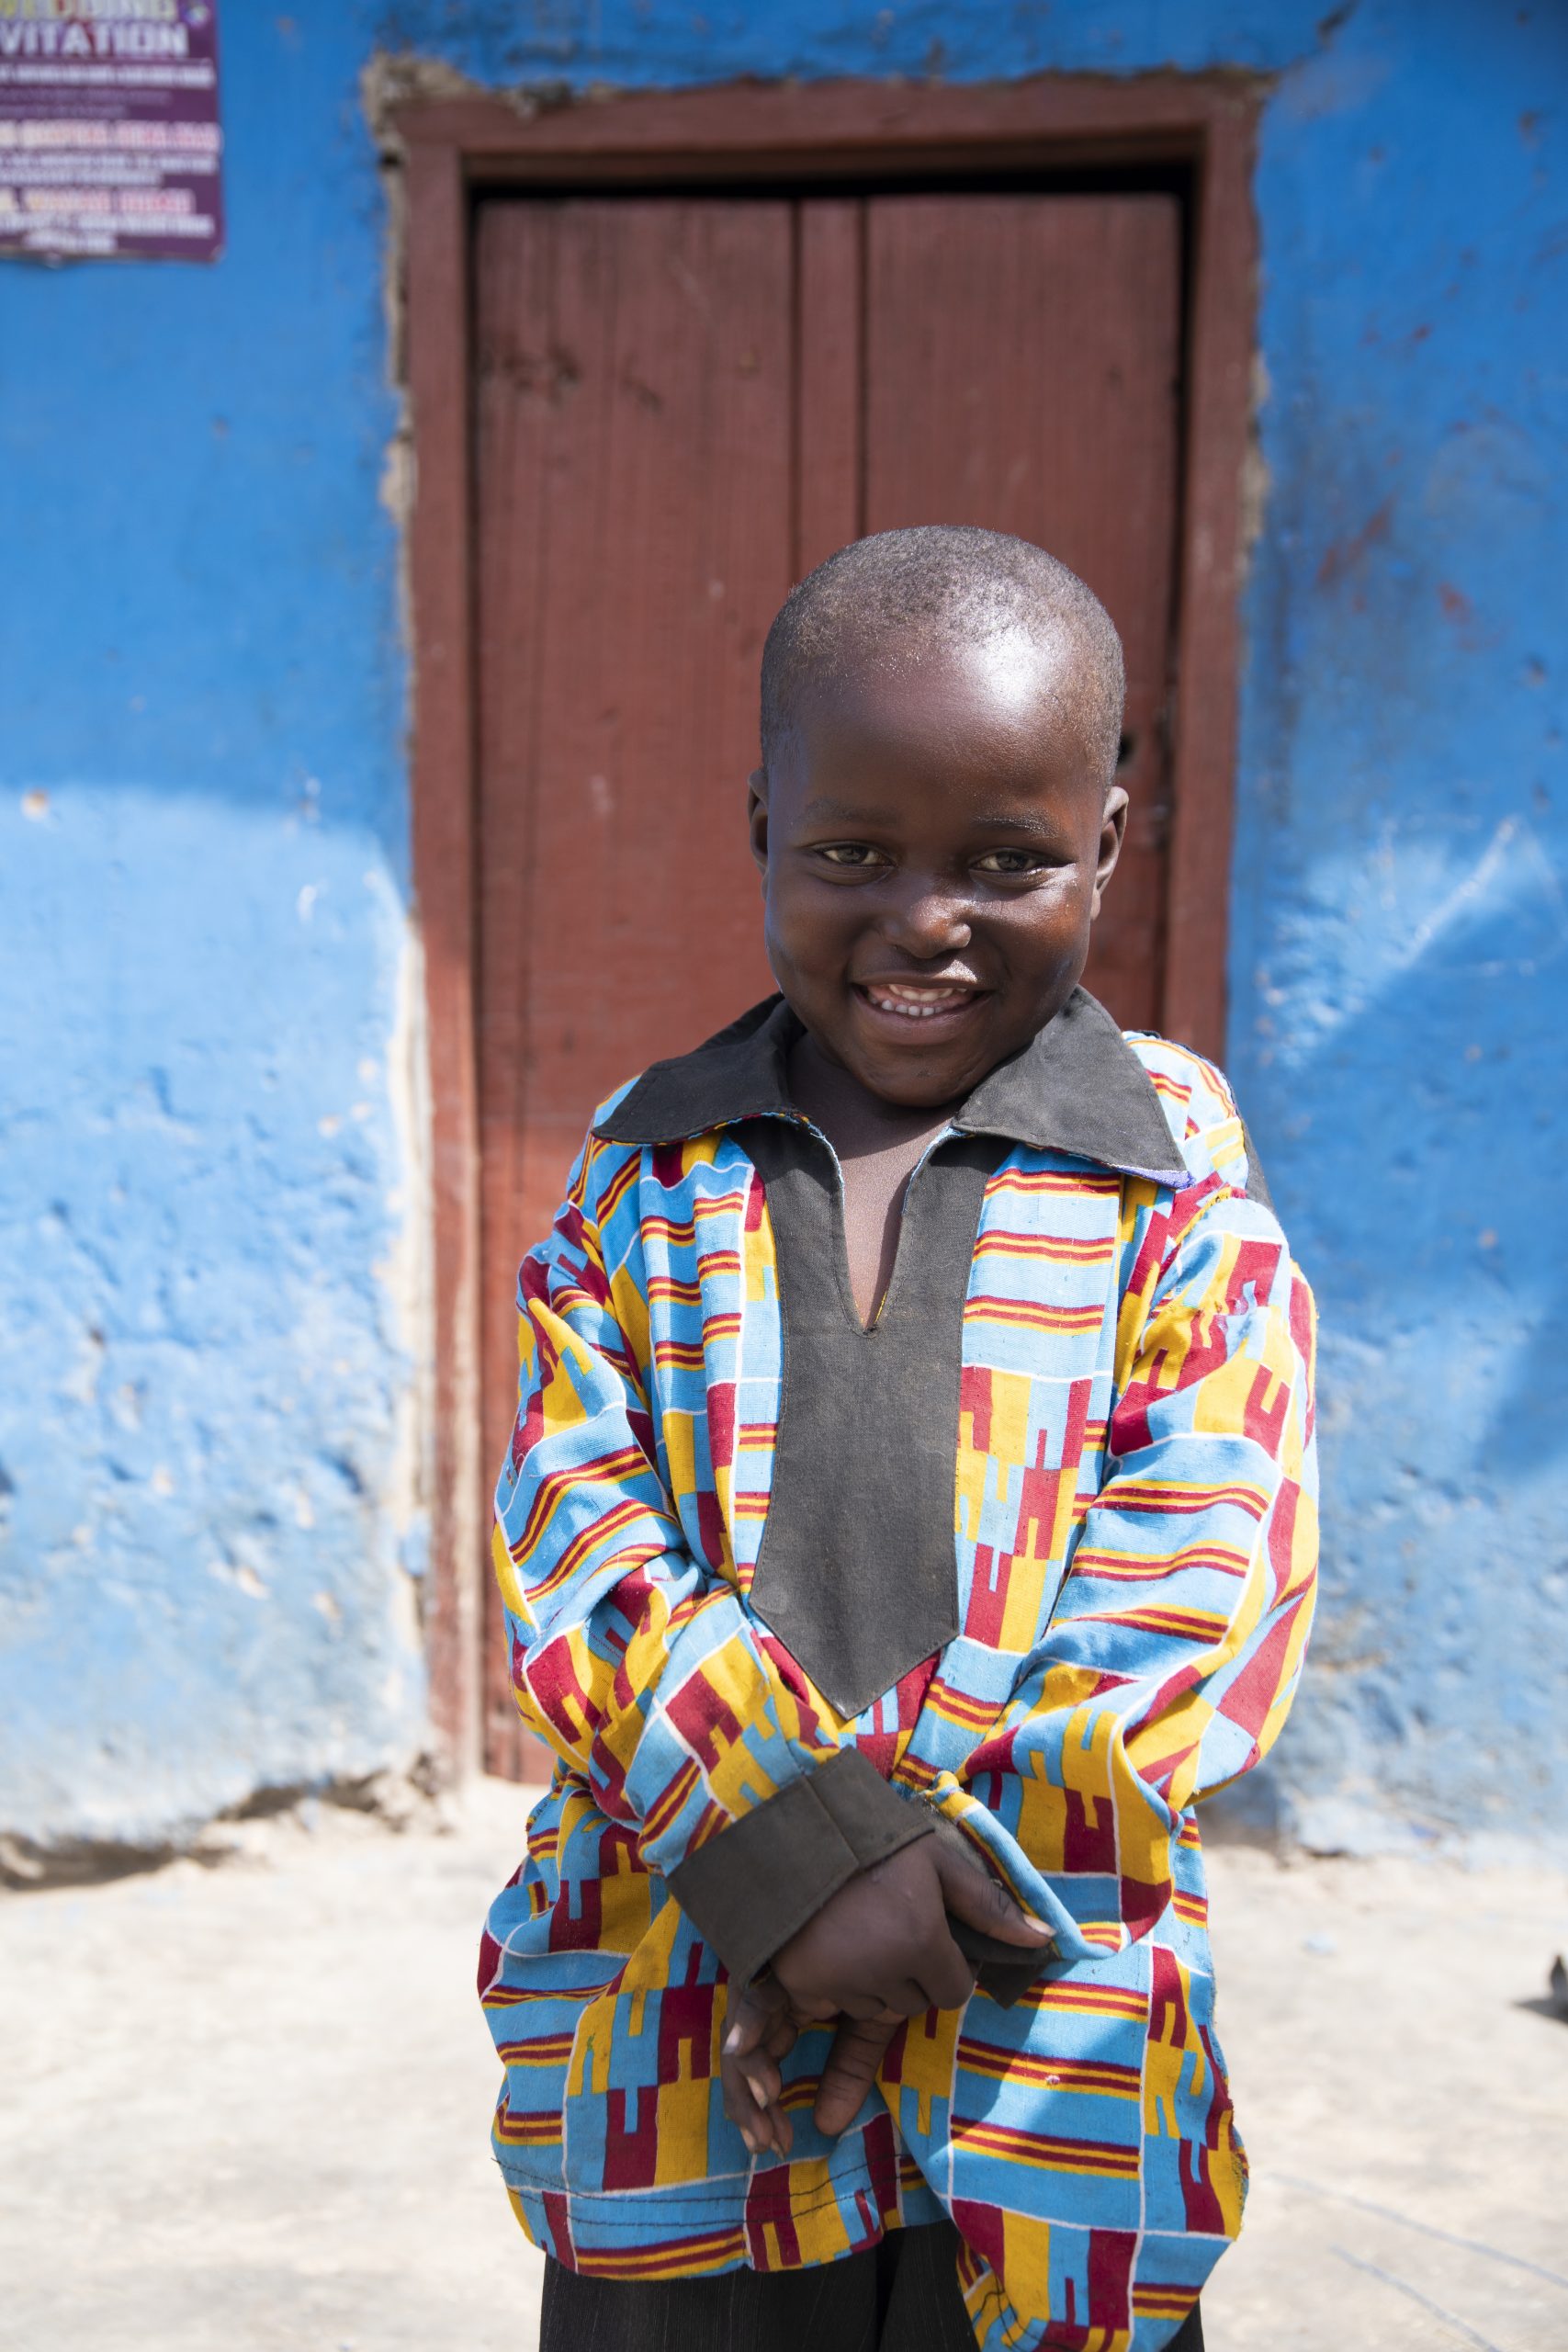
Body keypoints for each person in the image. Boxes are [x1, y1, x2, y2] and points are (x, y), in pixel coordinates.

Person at [479, 526, 1318, 2352]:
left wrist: (894, 1900)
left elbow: (1195, 1580)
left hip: (1043, 2031)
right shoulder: (642, 1168)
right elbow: (579, 1534)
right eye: (850, 851)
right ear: (758, 822)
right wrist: (794, 1865)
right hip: (682, 2012)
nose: (920, 919)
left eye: (1003, 860)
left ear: (1101, 841)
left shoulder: (1171, 1180)